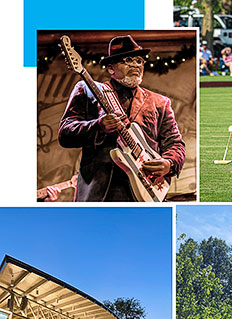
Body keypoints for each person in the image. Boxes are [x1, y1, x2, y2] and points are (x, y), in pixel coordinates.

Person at [58, 35, 186, 201]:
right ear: (111, 68)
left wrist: (169, 163)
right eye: (128, 60)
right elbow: (64, 133)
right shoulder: (88, 89)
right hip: (100, 193)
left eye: (139, 61)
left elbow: (175, 144)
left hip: (147, 191)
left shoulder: (160, 103)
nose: (135, 65)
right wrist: (98, 126)